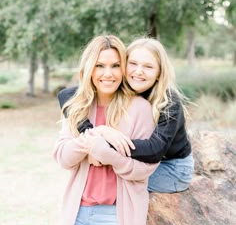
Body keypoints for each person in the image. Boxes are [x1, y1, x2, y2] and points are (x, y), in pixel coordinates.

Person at [52, 35, 157, 225]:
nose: (107, 74)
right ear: (89, 69)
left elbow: (145, 168)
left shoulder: (139, 109)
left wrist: (107, 155)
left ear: (123, 68)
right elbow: (63, 157)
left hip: (115, 217)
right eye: (100, 65)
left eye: (114, 66)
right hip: (77, 215)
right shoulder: (78, 107)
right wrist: (98, 134)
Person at [58, 37, 194, 194]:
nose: (138, 71)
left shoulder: (168, 101)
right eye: (133, 64)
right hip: (143, 161)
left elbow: (155, 150)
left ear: (159, 73)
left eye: (148, 67)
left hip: (172, 168)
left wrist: (102, 145)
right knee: (106, 174)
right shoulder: (122, 85)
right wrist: (94, 131)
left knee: (114, 179)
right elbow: (66, 95)